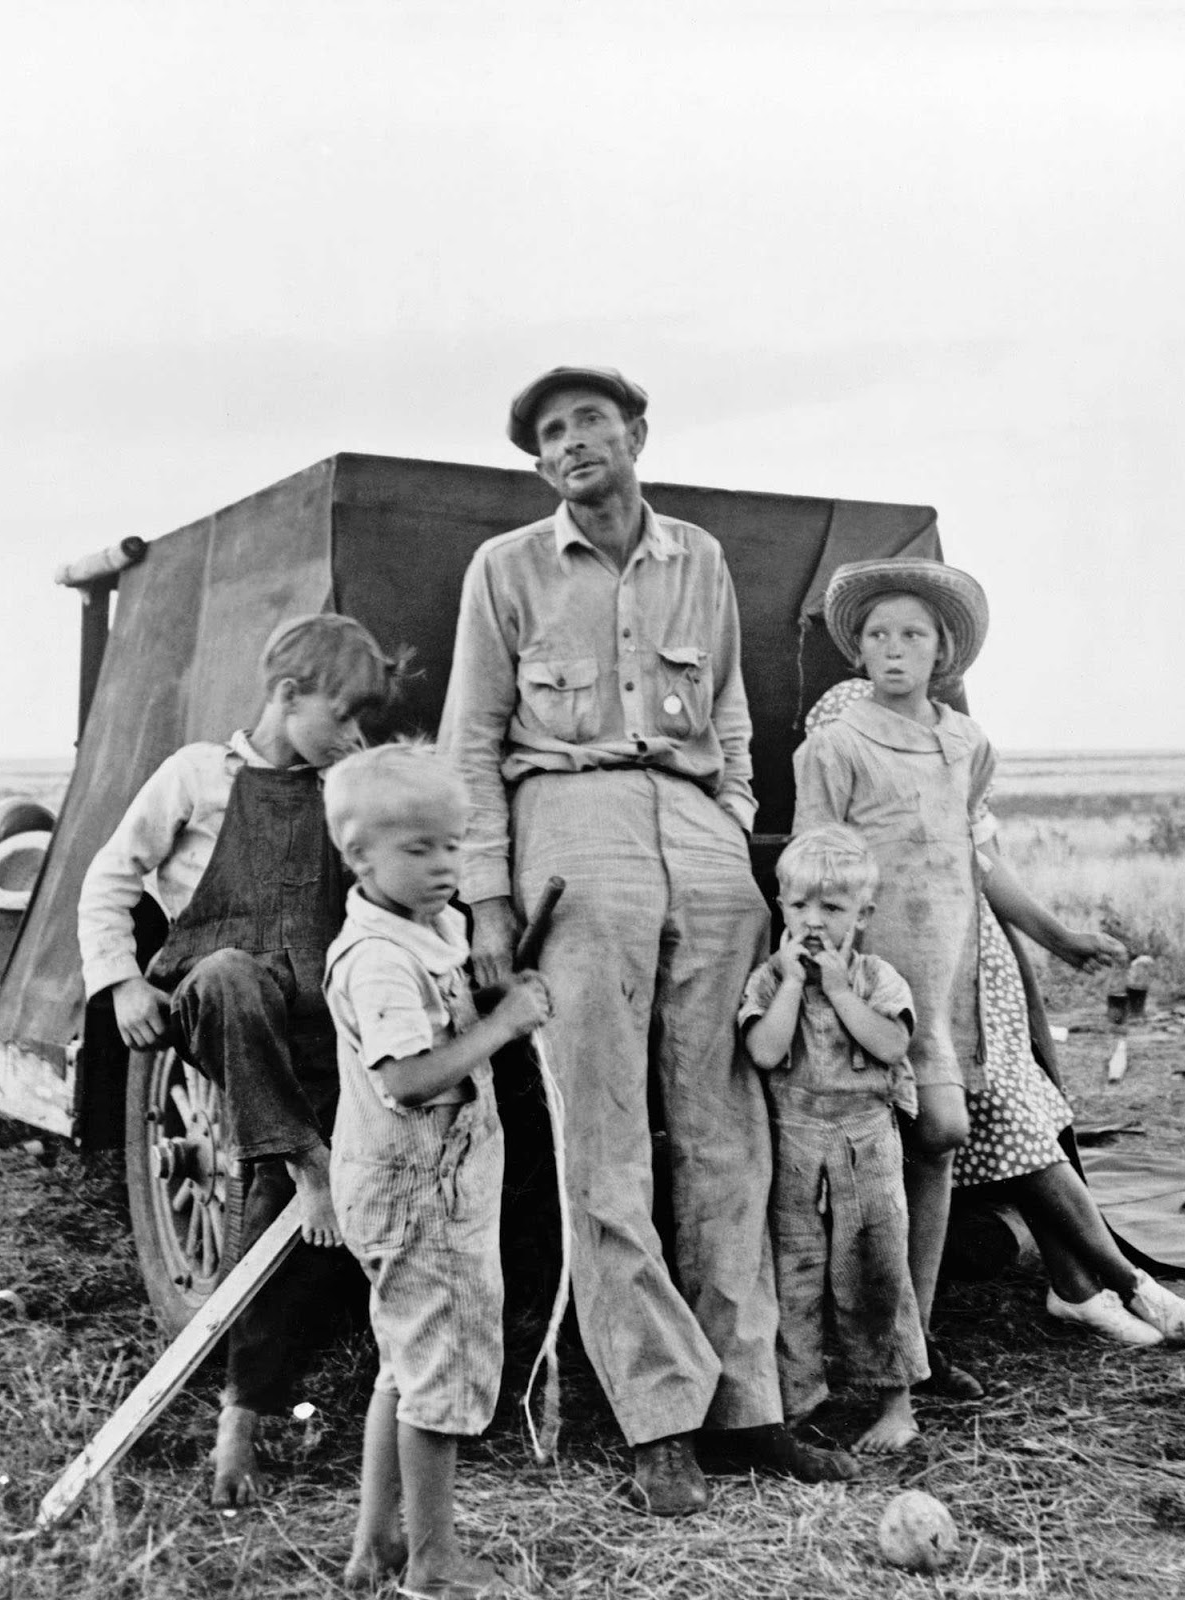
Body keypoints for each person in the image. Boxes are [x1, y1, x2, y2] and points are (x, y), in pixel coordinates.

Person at [439, 365, 856, 1516]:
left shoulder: (700, 559)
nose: (574, 443)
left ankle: (750, 1406)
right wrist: (485, 901)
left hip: (697, 833)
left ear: (636, 434)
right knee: (604, 1132)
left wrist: (727, 821)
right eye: (552, 434)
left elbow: (728, 706)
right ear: (539, 463)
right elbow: (470, 743)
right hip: (570, 828)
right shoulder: (506, 570)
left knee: (730, 1129)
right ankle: (657, 1414)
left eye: (591, 423)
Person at [794, 559, 1185, 1352]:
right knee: (933, 1134)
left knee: (998, 1126)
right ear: (855, 644)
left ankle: (1081, 1288)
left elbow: (976, 854)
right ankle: (1092, 1289)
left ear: (943, 648)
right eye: (878, 633)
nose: (894, 647)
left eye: (913, 634)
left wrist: (1057, 937)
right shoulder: (840, 722)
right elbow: (827, 857)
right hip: (891, 961)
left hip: (970, 965)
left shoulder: (964, 741)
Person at [78, 613, 405, 1505]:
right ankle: (306, 1160)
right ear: (287, 695)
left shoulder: (341, 788)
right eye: (342, 717)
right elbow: (109, 879)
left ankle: (244, 1414)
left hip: (311, 1031)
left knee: (278, 1209)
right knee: (231, 976)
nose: (354, 738)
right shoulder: (195, 774)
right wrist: (121, 987)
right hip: (211, 1005)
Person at [322, 743, 551, 1598]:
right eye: (418, 850)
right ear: (359, 856)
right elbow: (411, 1078)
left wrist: (490, 1004)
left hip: (417, 1186)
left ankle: (374, 1544)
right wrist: (506, 1026)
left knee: (403, 1365)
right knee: (440, 1378)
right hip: (420, 1194)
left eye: (453, 845)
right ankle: (434, 1564)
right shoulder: (380, 958)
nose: (443, 866)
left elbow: (437, 1025)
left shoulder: (425, 931)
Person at [740, 825, 929, 1453]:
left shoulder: (877, 979)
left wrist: (840, 989)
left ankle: (895, 1402)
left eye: (832, 907)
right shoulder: (769, 983)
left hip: (865, 1142)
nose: (813, 921)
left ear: (863, 916)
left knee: (876, 1268)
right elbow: (765, 1052)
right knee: (793, 1271)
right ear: (781, 907)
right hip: (793, 1142)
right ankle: (799, 1402)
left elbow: (892, 1044)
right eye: (799, 906)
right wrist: (794, 984)